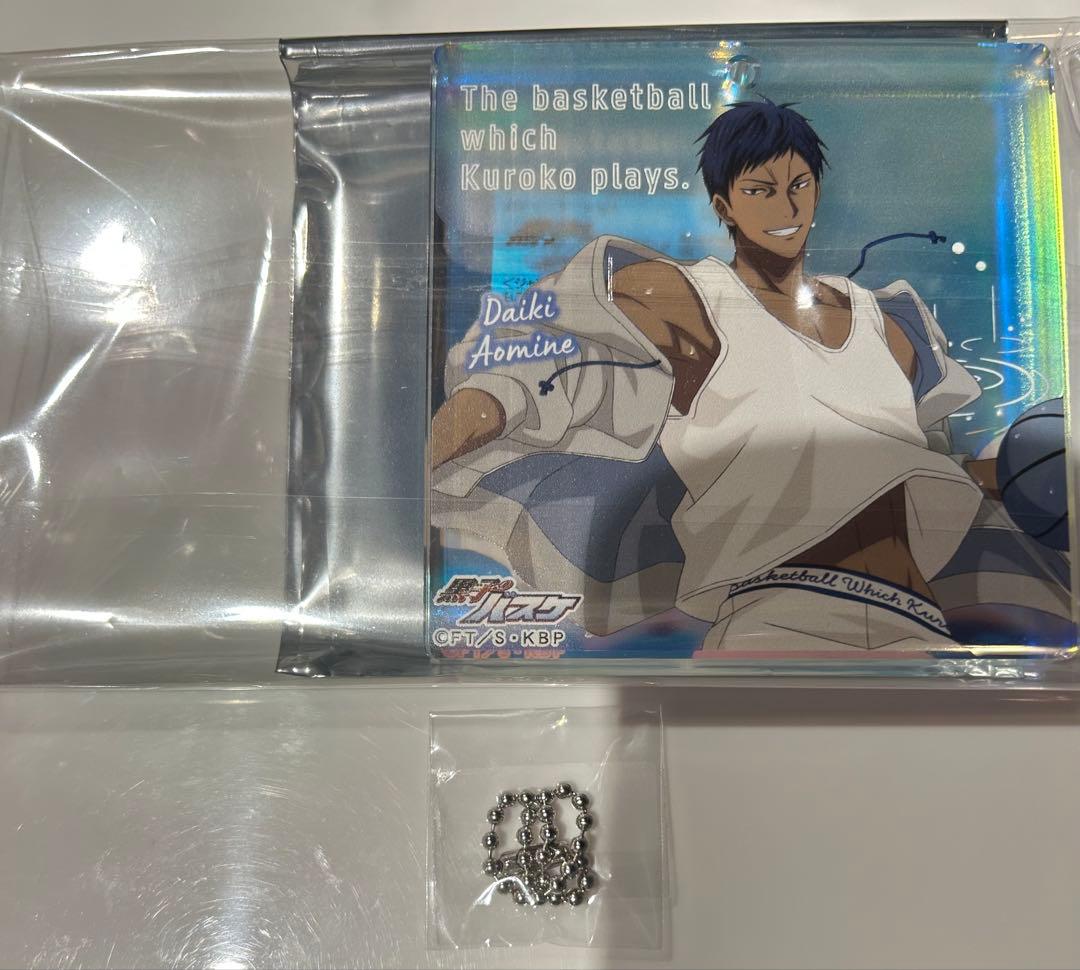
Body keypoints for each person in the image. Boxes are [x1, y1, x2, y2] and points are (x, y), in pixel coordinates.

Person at [431, 99, 1004, 653]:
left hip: (914, 617)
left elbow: (917, 466)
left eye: (799, 185)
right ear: (723, 205)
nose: (785, 209)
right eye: (760, 190)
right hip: (781, 617)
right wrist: (438, 447)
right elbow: (522, 364)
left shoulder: (889, 326)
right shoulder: (688, 300)